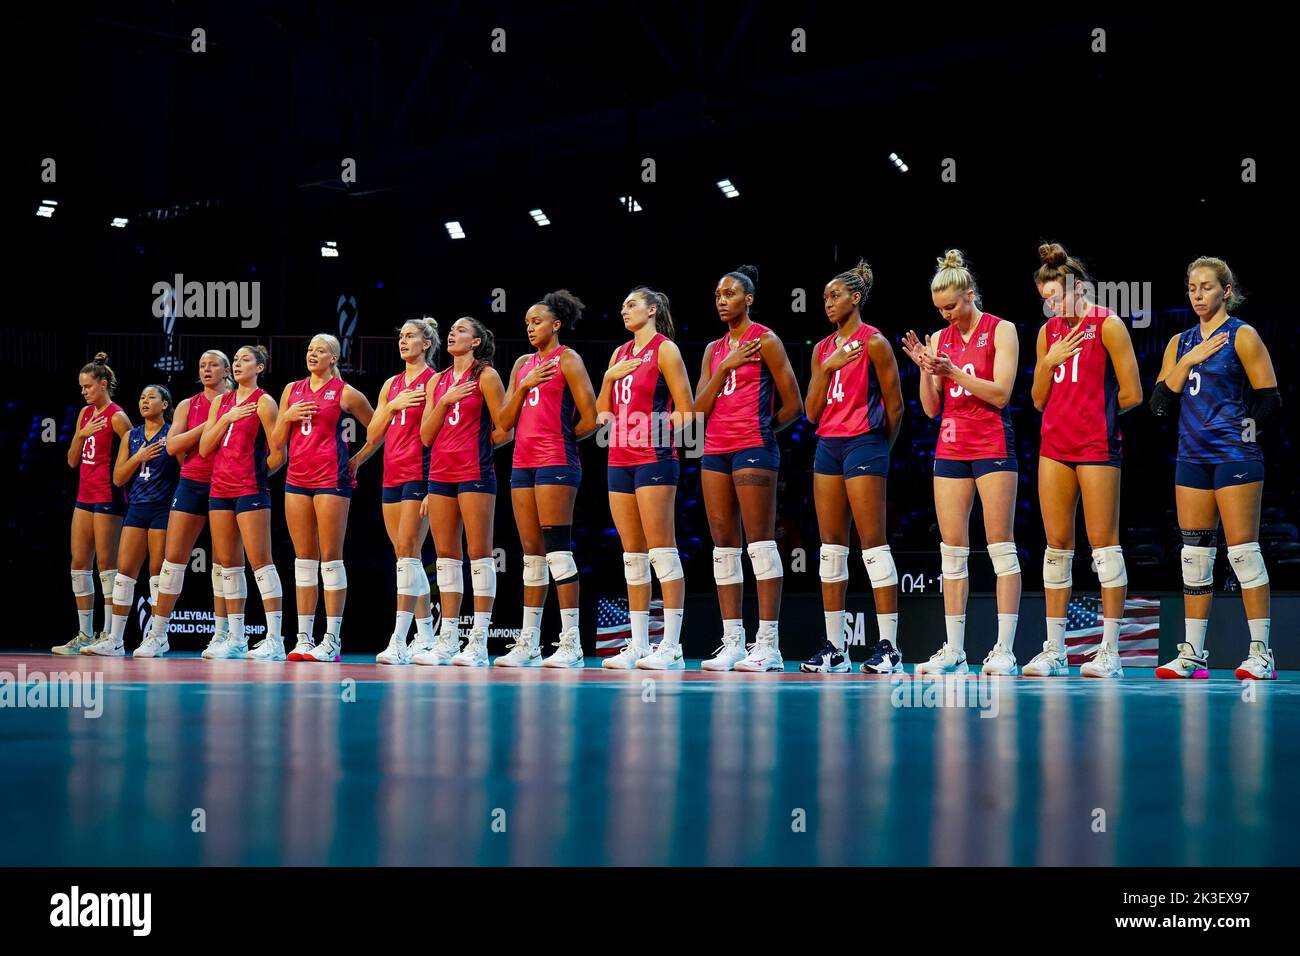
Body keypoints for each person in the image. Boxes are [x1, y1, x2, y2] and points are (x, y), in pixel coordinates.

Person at [1151, 256, 1278, 680]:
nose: (1197, 294)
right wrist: (1189, 360)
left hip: (1234, 459)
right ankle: (1193, 654)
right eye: (1191, 287)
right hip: (1192, 461)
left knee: (1243, 554)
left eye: (1206, 287)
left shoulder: (1242, 336)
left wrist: (1242, 436)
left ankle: (1261, 652)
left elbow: (1269, 398)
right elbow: (1158, 404)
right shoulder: (1179, 343)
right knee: (1195, 558)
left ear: (1226, 291)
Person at [901, 250, 1022, 675]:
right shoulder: (938, 339)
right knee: (952, 553)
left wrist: (953, 372)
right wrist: (923, 368)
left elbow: (1001, 394)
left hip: (992, 445)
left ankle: (1004, 649)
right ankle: (954, 649)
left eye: (951, 306)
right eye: (939, 310)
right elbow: (932, 409)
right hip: (951, 447)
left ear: (970, 295)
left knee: (1000, 548)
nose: (946, 315)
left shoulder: (1002, 330)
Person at [1025, 242, 1142, 678]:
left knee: (1104, 548)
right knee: (1056, 548)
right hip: (1054, 448)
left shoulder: (1108, 325)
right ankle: (1055, 650)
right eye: (1045, 301)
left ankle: (1109, 653)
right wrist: (1047, 363)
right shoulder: (1047, 333)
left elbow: (1132, 394)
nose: (1051, 306)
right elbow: (1037, 400)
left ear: (1077, 288)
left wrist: (1096, 416)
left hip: (1096, 448)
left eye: (1055, 297)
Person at [695, 265, 801, 671]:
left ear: (749, 299)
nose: (722, 300)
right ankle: (734, 642)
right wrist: (724, 367)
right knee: (723, 547)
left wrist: (760, 429)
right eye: (718, 295)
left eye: (730, 294)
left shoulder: (767, 340)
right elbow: (698, 409)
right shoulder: (713, 350)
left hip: (754, 448)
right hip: (715, 452)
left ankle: (768, 644)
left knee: (759, 543)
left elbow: (794, 405)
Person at [801, 260, 905, 675]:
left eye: (835, 296)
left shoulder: (875, 342)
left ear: (856, 297)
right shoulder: (821, 350)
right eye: (825, 298)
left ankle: (890, 648)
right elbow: (810, 412)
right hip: (828, 445)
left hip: (866, 443)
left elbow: (896, 406)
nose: (827, 304)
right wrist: (825, 369)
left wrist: (879, 448)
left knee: (873, 546)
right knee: (830, 549)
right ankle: (835, 649)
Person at [494, 291, 599, 668]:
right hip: (522, 463)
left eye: (536, 322)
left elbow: (591, 417)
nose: (530, 328)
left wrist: (560, 439)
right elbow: (504, 422)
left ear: (556, 324)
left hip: (557, 461)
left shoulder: (568, 359)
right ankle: (529, 643)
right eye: (526, 323)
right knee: (531, 556)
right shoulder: (523, 364)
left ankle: (571, 643)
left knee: (557, 549)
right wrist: (524, 384)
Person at [598, 286, 696, 671]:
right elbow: (599, 414)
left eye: (632, 304)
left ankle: (671, 646)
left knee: (661, 550)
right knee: (633, 555)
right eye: (622, 305)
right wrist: (608, 377)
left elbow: (686, 411)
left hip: (654, 457)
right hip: (618, 459)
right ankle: (639, 645)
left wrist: (653, 428)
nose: (624, 310)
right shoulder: (619, 354)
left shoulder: (664, 350)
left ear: (652, 310)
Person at [54, 353, 131, 655]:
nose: (84, 392)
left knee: (106, 565)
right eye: (81, 387)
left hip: (108, 496)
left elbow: (133, 452)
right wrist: (81, 434)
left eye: (88, 386)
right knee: (78, 564)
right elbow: (72, 460)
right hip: (84, 496)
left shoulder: (117, 416)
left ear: (103, 384)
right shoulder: (84, 415)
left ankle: (109, 636)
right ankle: (85, 634)